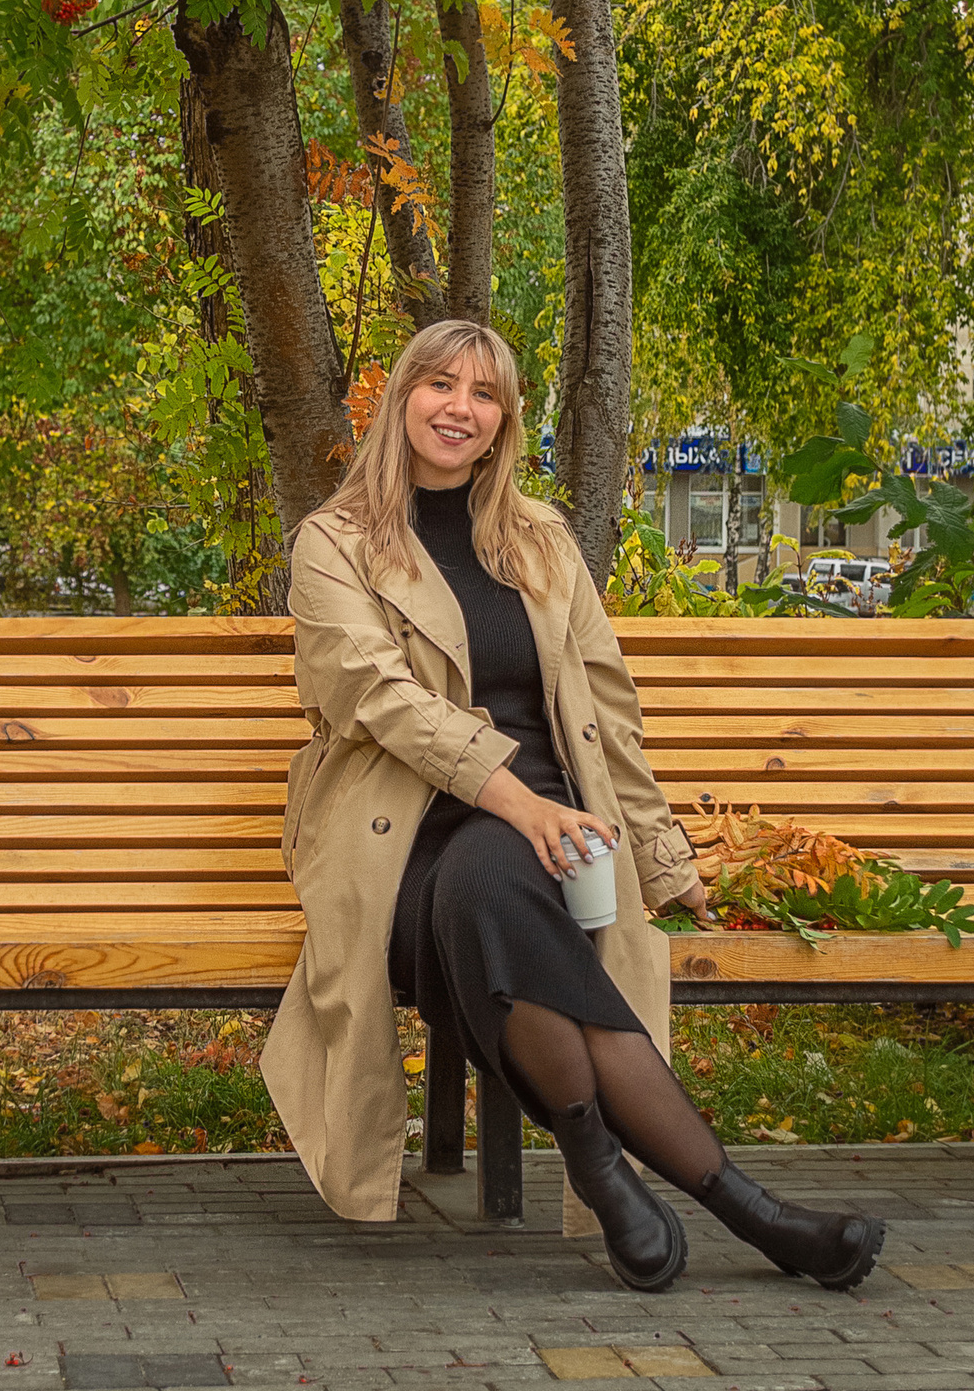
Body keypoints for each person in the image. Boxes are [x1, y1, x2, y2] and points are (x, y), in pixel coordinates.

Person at [261, 318, 885, 1294]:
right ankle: (747, 1211)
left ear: (505, 418)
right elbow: (381, 701)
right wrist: (526, 808)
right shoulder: (334, 545)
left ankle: (607, 1164)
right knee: (483, 873)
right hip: (404, 848)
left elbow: (607, 717)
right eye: (438, 384)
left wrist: (664, 861)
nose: (458, 407)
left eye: (482, 392)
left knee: (504, 891)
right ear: (402, 399)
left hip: (562, 842)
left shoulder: (541, 540)